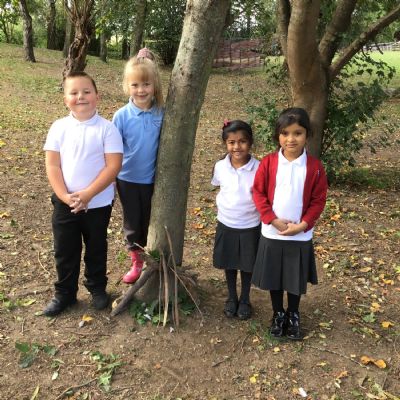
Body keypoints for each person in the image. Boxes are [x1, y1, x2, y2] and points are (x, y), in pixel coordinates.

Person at [43, 71, 123, 316]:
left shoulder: (107, 129)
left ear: (97, 96)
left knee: (96, 246)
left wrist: (88, 194)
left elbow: (113, 166)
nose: (81, 97)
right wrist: (65, 196)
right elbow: (53, 165)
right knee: (65, 249)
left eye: (86, 91)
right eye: (74, 93)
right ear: (65, 99)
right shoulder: (58, 127)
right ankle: (65, 294)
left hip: (97, 203)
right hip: (65, 202)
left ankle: (97, 288)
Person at [252, 107, 328, 339]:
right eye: (285, 133)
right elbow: (258, 193)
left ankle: (293, 313)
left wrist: (303, 225)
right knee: (275, 276)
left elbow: (318, 200)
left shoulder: (314, 167)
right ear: (278, 135)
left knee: (294, 277)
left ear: (307, 134)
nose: (291, 139)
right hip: (272, 232)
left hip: (300, 234)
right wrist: (272, 219)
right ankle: (278, 313)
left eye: (297, 133)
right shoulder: (268, 163)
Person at [112, 48, 164, 284]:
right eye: (135, 85)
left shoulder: (162, 113)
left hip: (154, 179)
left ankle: (153, 258)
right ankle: (137, 262)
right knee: (133, 222)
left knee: (151, 220)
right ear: (127, 86)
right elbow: (113, 150)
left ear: (154, 85)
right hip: (128, 179)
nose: (141, 90)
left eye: (146, 84)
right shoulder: (121, 116)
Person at [211, 120, 260, 320]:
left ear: (250, 143)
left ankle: (245, 298)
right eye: (231, 142)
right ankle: (231, 297)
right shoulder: (220, 166)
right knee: (229, 262)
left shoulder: (259, 168)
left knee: (247, 264)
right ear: (225, 143)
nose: (237, 147)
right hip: (226, 223)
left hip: (250, 225)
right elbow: (218, 185)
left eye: (242, 141)